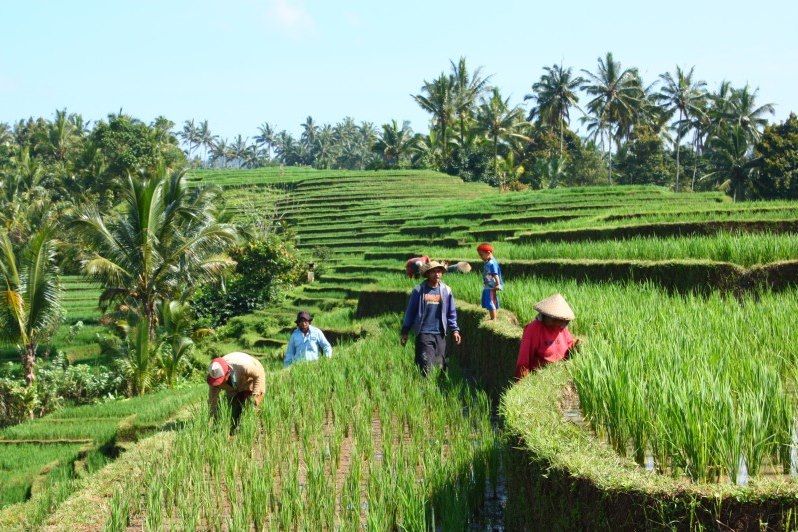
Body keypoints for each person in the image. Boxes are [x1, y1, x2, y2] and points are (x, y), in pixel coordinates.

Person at [400, 261, 462, 376]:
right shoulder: (418, 290)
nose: (437, 274)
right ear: (428, 274)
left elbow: (451, 312)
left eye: (439, 271)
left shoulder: (446, 290)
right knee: (426, 365)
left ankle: (436, 391)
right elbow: (410, 312)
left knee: (440, 366)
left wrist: (455, 330)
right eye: (433, 272)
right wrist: (405, 331)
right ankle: (425, 390)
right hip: (424, 332)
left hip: (440, 333)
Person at [515, 293, 580, 379]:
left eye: (560, 320)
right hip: (540, 376)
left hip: (559, 375)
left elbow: (568, 344)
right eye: (554, 319)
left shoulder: (561, 327)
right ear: (545, 315)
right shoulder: (533, 329)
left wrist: (575, 346)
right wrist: (522, 381)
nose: (558, 323)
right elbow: (523, 360)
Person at [207, 352, 266, 428]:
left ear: (227, 373)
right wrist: (213, 416)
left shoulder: (245, 366)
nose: (219, 383)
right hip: (234, 384)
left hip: (252, 376)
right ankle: (235, 425)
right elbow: (212, 399)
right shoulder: (213, 374)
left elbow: (258, 376)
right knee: (234, 406)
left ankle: (257, 426)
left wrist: (255, 396)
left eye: (221, 380)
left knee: (252, 405)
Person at [477, 243, 503, 320]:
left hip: (491, 286)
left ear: (488, 253)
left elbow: (495, 274)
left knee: (490, 301)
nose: (481, 257)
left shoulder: (492, 263)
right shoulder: (488, 262)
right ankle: (493, 317)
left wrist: (498, 284)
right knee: (490, 300)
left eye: (481, 255)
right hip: (488, 285)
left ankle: (494, 318)